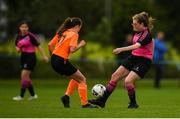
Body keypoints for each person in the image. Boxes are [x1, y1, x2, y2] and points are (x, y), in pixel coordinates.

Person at [89, 11, 154, 109]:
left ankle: (133, 103)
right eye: (132, 22)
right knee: (115, 76)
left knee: (128, 81)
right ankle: (102, 101)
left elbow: (137, 46)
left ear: (141, 24)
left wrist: (121, 49)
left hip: (143, 61)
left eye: (135, 23)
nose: (133, 24)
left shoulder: (146, 34)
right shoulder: (137, 32)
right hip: (133, 57)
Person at [48, 17, 97, 108]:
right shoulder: (74, 34)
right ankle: (85, 104)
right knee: (82, 79)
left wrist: (53, 56)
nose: (79, 30)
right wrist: (81, 45)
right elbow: (72, 49)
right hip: (61, 60)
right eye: (80, 28)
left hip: (54, 59)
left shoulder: (62, 32)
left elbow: (50, 45)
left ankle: (66, 97)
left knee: (76, 78)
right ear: (77, 26)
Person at [13, 21, 49, 101]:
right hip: (23, 57)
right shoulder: (18, 36)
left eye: (25, 27)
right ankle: (33, 95)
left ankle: (21, 96)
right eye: (22, 27)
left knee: (23, 76)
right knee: (27, 78)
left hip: (31, 57)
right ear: (20, 28)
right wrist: (18, 49)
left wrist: (44, 56)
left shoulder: (30, 36)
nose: (24, 28)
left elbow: (38, 46)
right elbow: (16, 45)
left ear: (28, 28)